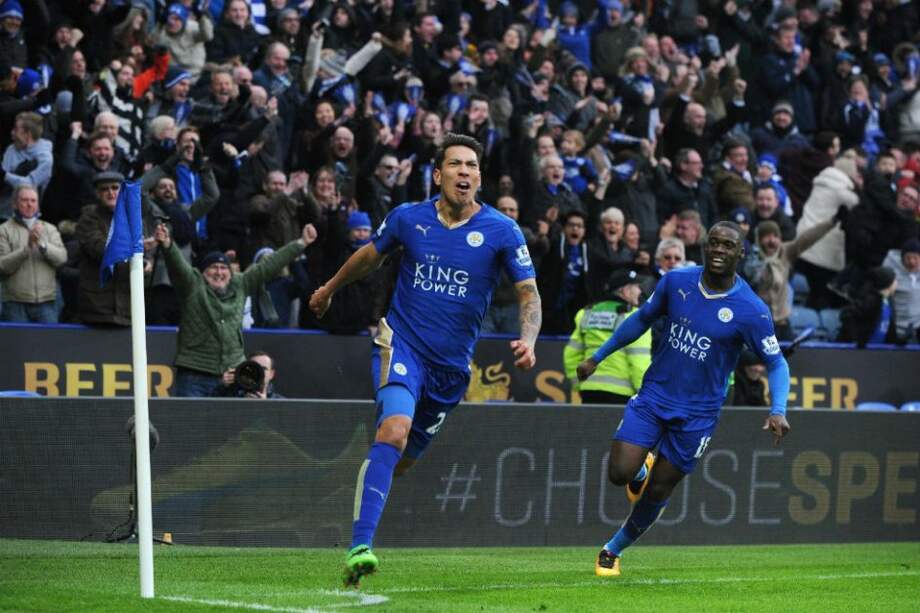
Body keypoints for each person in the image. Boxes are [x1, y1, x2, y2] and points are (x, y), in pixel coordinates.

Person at [308, 133, 541, 587]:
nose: (465, 173)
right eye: (456, 164)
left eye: (472, 166)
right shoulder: (408, 218)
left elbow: (528, 293)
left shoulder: (502, 230)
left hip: (451, 369)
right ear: (438, 175)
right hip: (402, 344)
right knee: (393, 431)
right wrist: (329, 289)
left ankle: (366, 482)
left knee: (401, 459)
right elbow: (369, 259)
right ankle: (360, 546)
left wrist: (528, 338)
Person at [576, 221, 791, 577]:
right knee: (620, 473)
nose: (719, 250)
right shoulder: (676, 282)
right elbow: (641, 319)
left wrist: (778, 409)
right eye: (714, 243)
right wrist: (597, 357)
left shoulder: (751, 310)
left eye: (728, 246)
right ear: (705, 247)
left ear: (740, 254)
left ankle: (613, 550)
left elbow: (776, 362)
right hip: (654, 396)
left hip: (699, 414)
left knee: (659, 488)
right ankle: (641, 465)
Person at [154, 221, 318, 397]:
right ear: (203, 273)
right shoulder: (193, 284)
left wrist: (300, 243)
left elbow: (269, 266)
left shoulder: (240, 284)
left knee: (230, 423)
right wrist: (168, 245)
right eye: (213, 268)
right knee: (191, 423)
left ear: (230, 273)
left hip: (233, 374)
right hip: (194, 375)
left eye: (224, 268)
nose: (219, 272)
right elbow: (178, 266)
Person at [565, 269, 651, 405]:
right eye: (637, 287)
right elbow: (639, 360)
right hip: (622, 394)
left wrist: (578, 384)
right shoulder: (635, 318)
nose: (640, 292)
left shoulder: (586, 312)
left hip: (589, 390)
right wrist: (644, 396)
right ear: (625, 291)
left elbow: (571, 354)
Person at [0, 185, 67, 322]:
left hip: (47, 302)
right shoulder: (3, 230)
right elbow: (2, 266)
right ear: (14, 204)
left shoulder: (49, 229)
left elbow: (62, 258)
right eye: (24, 200)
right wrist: (27, 248)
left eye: (33, 201)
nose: (29, 204)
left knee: (48, 343)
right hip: (15, 303)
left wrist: (42, 245)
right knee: (17, 344)